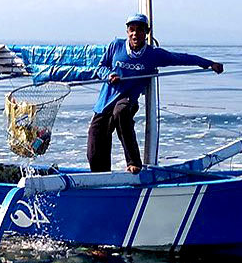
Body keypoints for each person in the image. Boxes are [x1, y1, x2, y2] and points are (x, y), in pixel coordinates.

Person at [88, 14, 224, 173]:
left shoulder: (153, 54)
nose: (135, 34)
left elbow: (181, 58)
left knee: (121, 111)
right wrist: (108, 75)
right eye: (132, 30)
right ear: (127, 31)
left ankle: (134, 163)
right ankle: (101, 177)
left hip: (127, 100)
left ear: (146, 32)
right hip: (105, 103)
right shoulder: (116, 46)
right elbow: (100, 67)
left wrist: (209, 64)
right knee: (94, 148)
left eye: (139, 30)